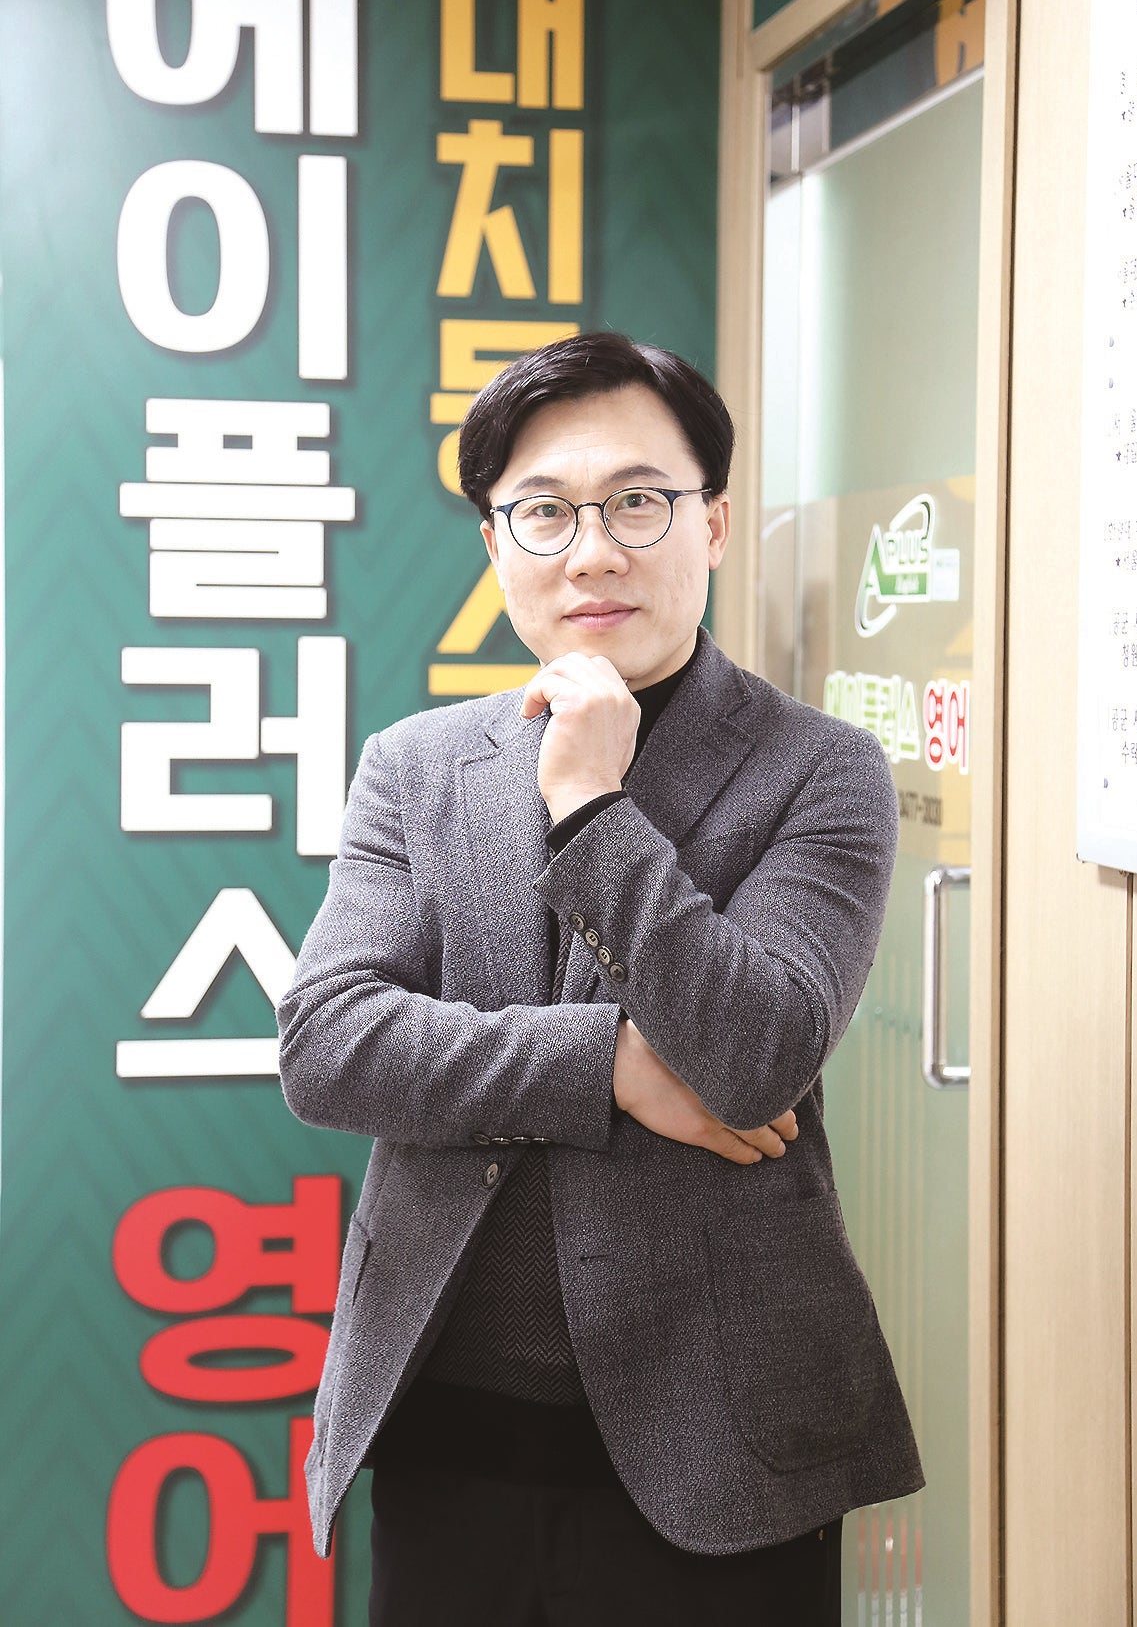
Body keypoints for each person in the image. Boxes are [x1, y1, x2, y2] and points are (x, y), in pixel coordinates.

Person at [278, 332, 922, 1626]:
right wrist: (612, 1068)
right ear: (495, 543)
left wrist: (590, 806)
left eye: (637, 502)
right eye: (544, 511)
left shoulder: (821, 770)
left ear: (713, 521)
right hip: (446, 1422)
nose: (592, 553)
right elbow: (330, 1044)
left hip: (724, 1439)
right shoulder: (415, 765)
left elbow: (754, 1054)